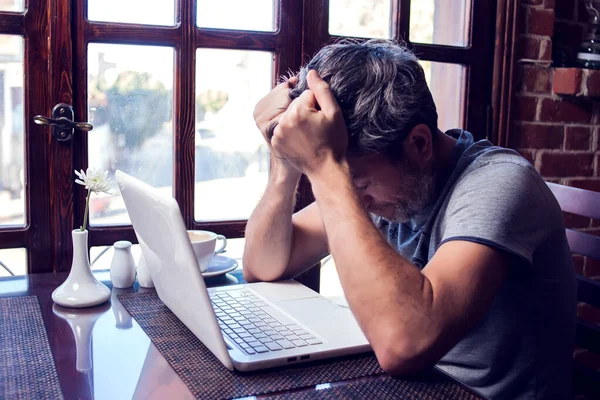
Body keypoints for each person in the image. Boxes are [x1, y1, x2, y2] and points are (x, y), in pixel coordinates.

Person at [242, 40, 576, 400]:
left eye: (359, 182)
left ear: (418, 144)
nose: (356, 197)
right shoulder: (383, 188)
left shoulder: (501, 183)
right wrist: (284, 162)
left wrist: (327, 169)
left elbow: (403, 344)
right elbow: (263, 266)